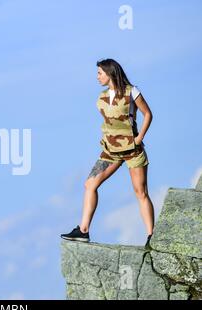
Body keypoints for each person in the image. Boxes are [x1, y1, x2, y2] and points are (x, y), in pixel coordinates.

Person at [60, 58, 155, 249]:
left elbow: (148, 114)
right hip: (110, 151)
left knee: (140, 192)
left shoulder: (131, 91)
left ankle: (151, 236)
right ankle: (83, 230)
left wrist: (139, 138)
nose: (97, 77)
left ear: (110, 73)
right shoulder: (101, 97)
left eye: (99, 73)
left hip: (132, 151)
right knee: (90, 184)